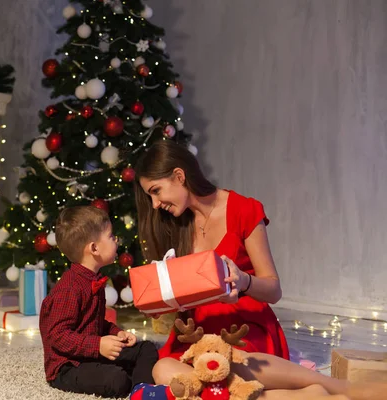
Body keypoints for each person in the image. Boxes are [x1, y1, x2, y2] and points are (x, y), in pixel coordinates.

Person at [132, 139, 385, 400]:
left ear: (179, 176)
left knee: (229, 362)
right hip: (197, 331)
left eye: (156, 191)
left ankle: (337, 388)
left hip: (242, 326)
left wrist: (244, 282)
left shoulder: (243, 209)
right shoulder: (174, 224)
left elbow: (273, 289)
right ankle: (300, 395)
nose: (154, 204)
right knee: (164, 369)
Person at [39, 206, 165, 399]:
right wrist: (97, 345)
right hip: (68, 365)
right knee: (117, 380)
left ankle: (141, 390)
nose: (116, 240)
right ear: (94, 248)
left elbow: (94, 323)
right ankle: (134, 382)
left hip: (91, 352)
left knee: (146, 348)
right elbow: (58, 337)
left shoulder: (94, 279)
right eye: (111, 236)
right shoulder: (68, 289)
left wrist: (116, 333)